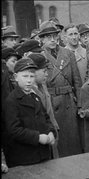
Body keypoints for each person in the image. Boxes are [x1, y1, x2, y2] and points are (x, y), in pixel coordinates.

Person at [39, 21, 82, 157]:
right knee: (58, 142)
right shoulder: (40, 57)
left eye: (54, 36)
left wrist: (80, 105)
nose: (52, 40)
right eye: (48, 37)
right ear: (41, 39)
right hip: (51, 102)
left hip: (68, 101)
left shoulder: (68, 53)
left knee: (73, 141)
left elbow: (77, 82)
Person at [4, 57, 56, 168]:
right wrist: (37, 137)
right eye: (25, 76)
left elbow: (46, 118)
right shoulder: (12, 101)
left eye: (32, 76)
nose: (29, 80)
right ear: (15, 77)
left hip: (43, 154)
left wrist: (51, 132)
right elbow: (14, 130)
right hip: (24, 158)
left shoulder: (35, 97)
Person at [28, 53, 60, 159]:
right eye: (44, 71)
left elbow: (50, 111)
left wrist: (55, 129)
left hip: (52, 134)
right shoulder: (28, 92)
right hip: (41, 139)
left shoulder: (43, 85)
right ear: (34, 72)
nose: (47, 74)